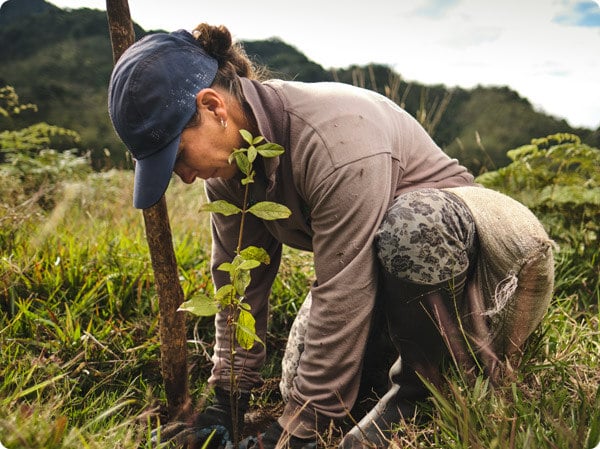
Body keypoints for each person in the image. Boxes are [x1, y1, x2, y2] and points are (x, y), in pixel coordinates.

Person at [108, 24, 555, 448]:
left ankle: (422, 396)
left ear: (212, 107)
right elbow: (238, 289)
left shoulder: (332, 140)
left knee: (411, 225)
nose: (182, 177)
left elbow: (343, 288)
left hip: (490, 270)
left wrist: (299, 429)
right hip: (396, 287)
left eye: (178, 156)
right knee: (297, 380)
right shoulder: (230, 168)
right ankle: (400, 376)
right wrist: (226, 403)